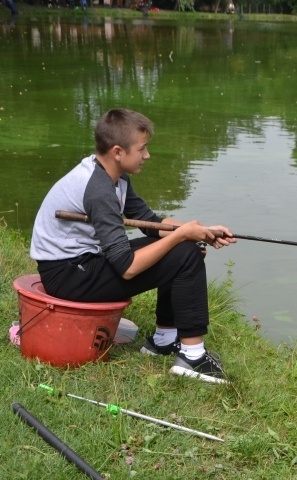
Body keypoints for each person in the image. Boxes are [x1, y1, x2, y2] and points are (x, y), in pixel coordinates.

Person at [30, 109, 236, 384]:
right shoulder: (99, 189)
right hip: (68, 276)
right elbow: (127, 268)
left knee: (187, 246)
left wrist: (201, 231)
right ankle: (192, 356)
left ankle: (165, 339)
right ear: (118, 151)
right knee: (183, 251)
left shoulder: (114, 177)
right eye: (142, 149)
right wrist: (181, 235)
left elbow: (150, 222)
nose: (147, 155)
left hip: (82, 263)